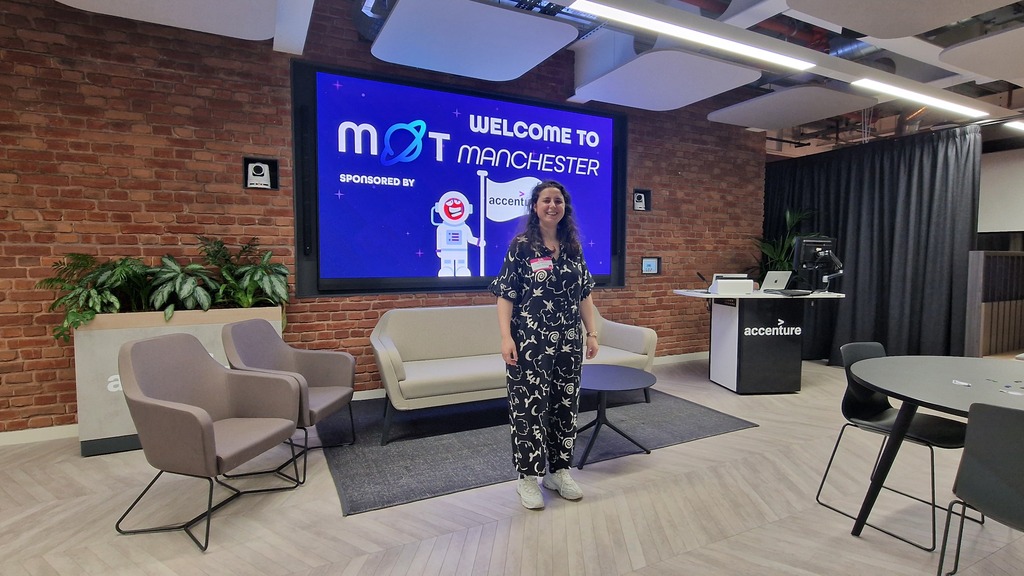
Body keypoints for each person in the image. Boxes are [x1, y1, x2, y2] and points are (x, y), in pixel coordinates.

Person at [489, 179, 599, 510]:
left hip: (568, 342)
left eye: (558, 201)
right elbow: (505, 295)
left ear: (565, 208)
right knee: (528, 409)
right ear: (535, 207)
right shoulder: (521, 246)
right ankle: (527, 478)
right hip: (529, 344)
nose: (553, 206)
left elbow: (585, 293)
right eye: (546, 200)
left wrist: (591, 333)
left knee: (565, 406)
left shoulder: (574, 248)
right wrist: (506, 337)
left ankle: (559, 472)